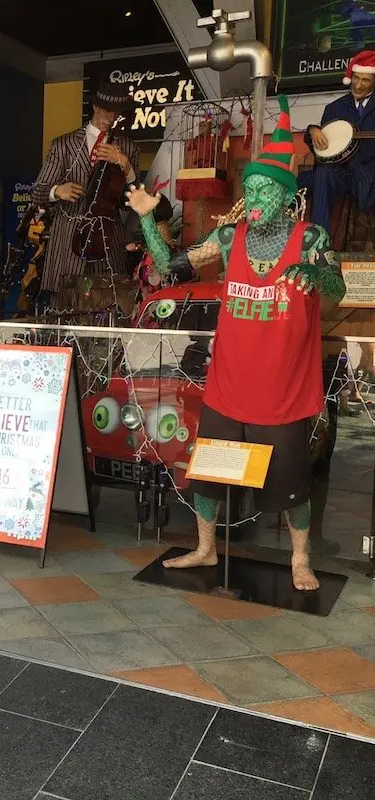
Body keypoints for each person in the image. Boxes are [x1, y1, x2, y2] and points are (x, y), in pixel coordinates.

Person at [127, 96, 347, 592]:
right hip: (229, 386)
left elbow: (338, 289)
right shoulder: (229, 240)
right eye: (252, 187)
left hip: (283, 392)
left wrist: (314, 273)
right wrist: (146, 218)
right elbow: (170, 266)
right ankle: (205, 548)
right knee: (210, 475)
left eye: (268, 187)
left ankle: (299, 559)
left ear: (286, 193)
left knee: (291, 486)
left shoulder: (310, 238)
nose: (258, 195)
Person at [31, 87, 139, 305]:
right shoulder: (64, 144)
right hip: (67, 241)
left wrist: (126, 166)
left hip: (108, 238)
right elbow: (37, 192)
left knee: (109, 305)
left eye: (116, 113)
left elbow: (134, 202)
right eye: (107, 111)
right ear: (96, 106)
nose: (110, 118)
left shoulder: (127, 147)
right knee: (64, 309)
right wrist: (57, 191)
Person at [302, 50, 375, 234]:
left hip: (370, 173)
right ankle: (319, 241)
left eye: (365, 80)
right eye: (356, 78)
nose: (358, 85)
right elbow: (323, 146)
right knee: (322, 174)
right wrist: (313, 131)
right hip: (344, 174)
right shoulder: (334, 108)